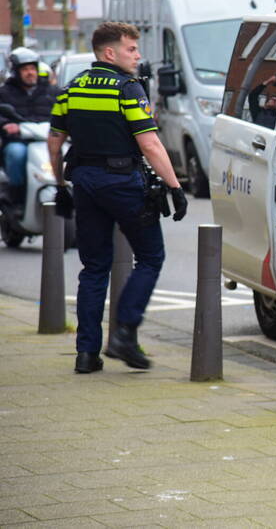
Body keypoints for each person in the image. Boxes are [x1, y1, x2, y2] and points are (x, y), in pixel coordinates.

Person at [47, 22, 189, 375]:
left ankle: (86, 354)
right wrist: (175, 187)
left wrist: (60, 186)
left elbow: (54, 143)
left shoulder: (71, 89)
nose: (138, 56)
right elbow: (150, 143)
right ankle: (124, 333)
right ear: (109, 53)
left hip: (84, 182)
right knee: (151, 257)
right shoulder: (127, 90)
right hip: (123, 182)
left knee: (94, 268)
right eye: (131, 49)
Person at [0, 47, 58, 212]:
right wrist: (6, 125)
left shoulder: (52, 91)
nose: (30, 72)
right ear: (16, 72)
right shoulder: (5, 93)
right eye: (25, 69)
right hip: (20, 141)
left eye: (33, 68)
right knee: (16, 154)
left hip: (49, 139)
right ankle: (17, 198)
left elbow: (65, 111)